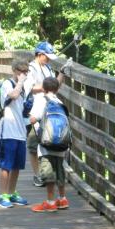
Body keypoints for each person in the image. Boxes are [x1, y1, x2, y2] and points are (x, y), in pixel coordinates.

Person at [24, 41, 66, 187]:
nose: (48, 59)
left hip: (49, 111)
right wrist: (46, 86)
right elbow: (29, 88)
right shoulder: (31, 68)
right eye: (46, 56)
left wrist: (62, 74)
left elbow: (54, 88)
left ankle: (48, 173)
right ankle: (38, 175)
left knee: (49, 141)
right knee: (33, 145)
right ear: (39, 54)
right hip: (35, 111)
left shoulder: (47, 67)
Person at [29, 77, 69, 212]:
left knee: (48, 172)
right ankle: (62, 199)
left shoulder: (42, 100)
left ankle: (50, 202)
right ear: (57, 89)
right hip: (61, 145)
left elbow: (33, 119)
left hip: (47, 145)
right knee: (60, 170)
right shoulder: (60, 102)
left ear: (43, 89)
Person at [0, 58, 30, 208]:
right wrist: (21, 82)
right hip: (8, 131)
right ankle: (3, 195)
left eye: (26, 71)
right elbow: (14, 95)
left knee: (17, 166)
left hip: (20, 131)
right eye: (21, 71)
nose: (23, 74)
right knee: (6, 165)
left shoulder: (24, 86)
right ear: (14, 71)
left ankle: (11, 193)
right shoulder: (7, 84)